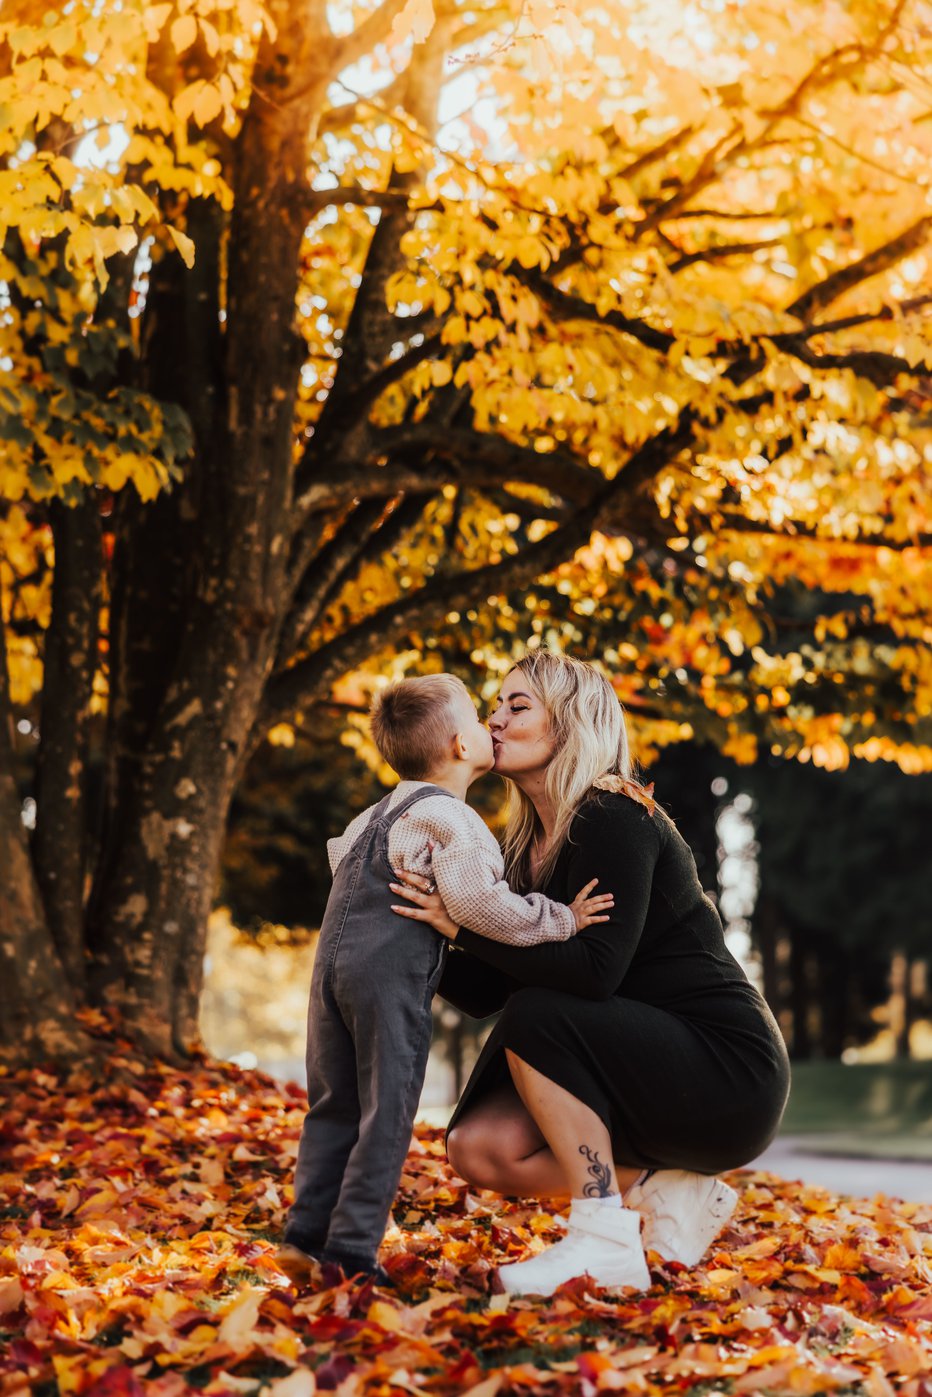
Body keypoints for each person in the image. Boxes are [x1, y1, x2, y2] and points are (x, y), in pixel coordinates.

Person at [391, 650, 791, 1296]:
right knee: (478, 1144)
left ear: (572, 722)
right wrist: (406, 928)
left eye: (517, 706)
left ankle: (601, 1236)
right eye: (495, 705)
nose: (494, 719)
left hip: (726, 1070)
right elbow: (489, 988)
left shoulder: (614, 813)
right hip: (637, 1066)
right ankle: (666, 1186)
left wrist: (460, 927)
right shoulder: (522, 854)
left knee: (539, 1014)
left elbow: (591, 975)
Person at [277, 672, 614, 1286]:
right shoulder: (451, 823)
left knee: (332, 1104)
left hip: (331, 970)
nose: (494, 725)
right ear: (461, 748)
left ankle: (305, 1233)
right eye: (481, 720)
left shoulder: (371, 815)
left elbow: (341, 864)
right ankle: (351, 1250)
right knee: (387, 1109)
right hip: (386, 979)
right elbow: (482, 906)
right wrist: (562, 919)